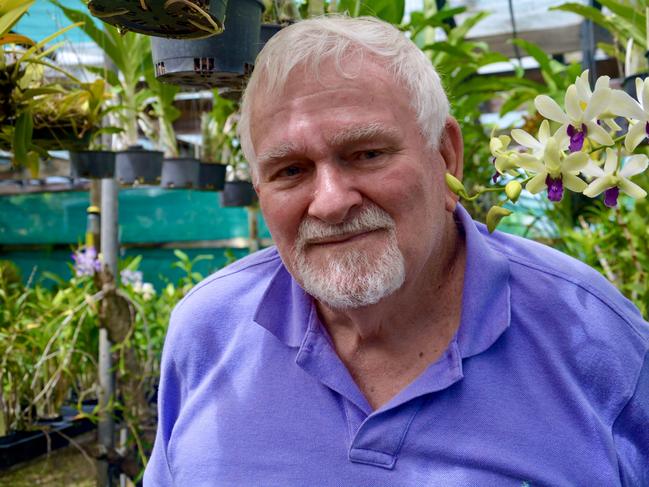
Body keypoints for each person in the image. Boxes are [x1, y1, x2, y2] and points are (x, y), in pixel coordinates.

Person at [144, 16, 649, 486]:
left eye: (366, 154)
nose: (332, 202)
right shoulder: (207, 332)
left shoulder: (594, 339)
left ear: (446, 157)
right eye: (291, 171)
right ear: (259, 190)